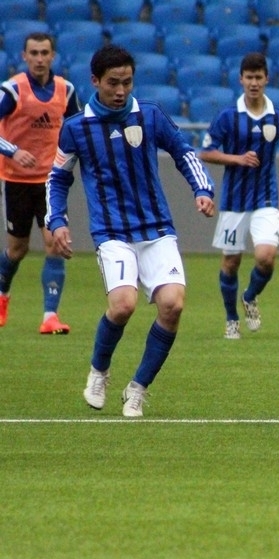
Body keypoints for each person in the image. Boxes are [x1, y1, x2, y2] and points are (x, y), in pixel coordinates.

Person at [45, 45, 215, 417]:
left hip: (156, 228)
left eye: (127, 82)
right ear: (95, 81)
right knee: (123, 306)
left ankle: (137, 388)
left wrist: (202, 189)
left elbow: (183, 152)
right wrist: (56, 220)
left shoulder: (149, 114)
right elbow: (58, 178)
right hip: (112, 232)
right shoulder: (76, 128)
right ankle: (99, 371)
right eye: (113, 83)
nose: (121, 90)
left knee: (173, 305)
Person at [199, 52, 279, 340]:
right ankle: (231, 319)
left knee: (266, 257)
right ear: (241, 79)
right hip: (234, 201)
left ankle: (250, 296)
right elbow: (206, 152)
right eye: (249, 77)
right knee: (230, 262)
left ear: (267, 79)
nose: (254, 83)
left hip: (266, 198)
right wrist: (237, 159)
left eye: (258, 77)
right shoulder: (228, 116)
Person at [0, 32, 81, 334]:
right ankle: (2, 295)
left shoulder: (66, 90)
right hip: (16, 180)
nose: (39, 59)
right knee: (17, 249)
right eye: (33, 53)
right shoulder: (12, 90)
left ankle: (50, 316)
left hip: (51, 182)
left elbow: (77, 129)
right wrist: (13, 151)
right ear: (24, 56)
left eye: (44, 53)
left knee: (54, 244)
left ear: (52, 56)